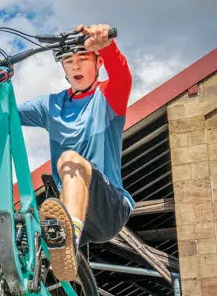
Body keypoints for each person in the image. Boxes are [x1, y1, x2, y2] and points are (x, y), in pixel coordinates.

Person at [20, 23, 133, 282]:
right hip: (69, 206)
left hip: (109, 208)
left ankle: (67, 240)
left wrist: (107, 44)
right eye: (69, 60)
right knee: (25, 224)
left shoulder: (108, 96)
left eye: (83, 59)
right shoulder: (51, 106)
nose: (76, 66)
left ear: (98, 63)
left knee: (70, 160)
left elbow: (122, 75)